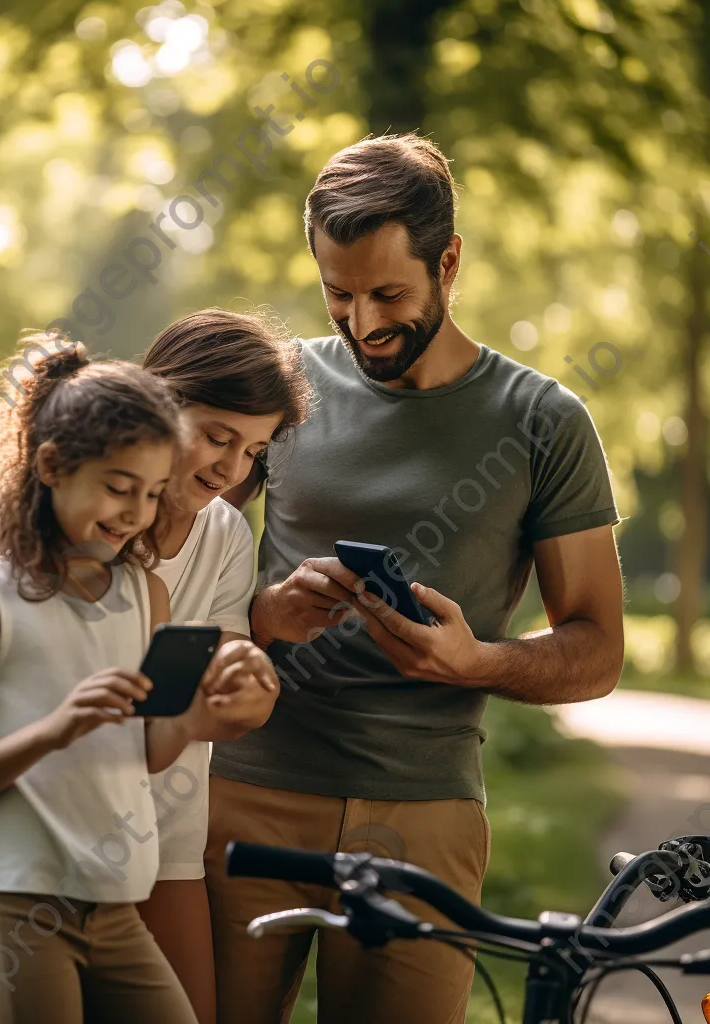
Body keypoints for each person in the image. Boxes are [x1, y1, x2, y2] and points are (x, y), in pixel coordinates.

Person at [204, 133, 625, 1024]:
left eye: (390, 293)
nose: (362, 323)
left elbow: (597, 648)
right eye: (338, 294)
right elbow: (173, 556)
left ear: (449, 262)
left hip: (425, 811)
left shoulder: (545, 421)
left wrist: (481, 665)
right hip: (244, 792)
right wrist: (265, 615)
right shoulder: (280, 387)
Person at [0, 310, 312, 1023]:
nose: (230, 467)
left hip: (154, 828)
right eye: (217, 437)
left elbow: (189, 688)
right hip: (29, 835)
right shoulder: (41, 513)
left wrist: (245, 681)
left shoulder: (213, 540)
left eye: (253, 450)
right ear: (160, 402)